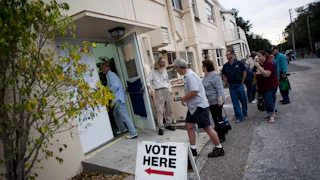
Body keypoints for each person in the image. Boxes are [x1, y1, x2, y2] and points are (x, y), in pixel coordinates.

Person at [173, 58, 224, 159]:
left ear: (179, 67)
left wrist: (184, 98)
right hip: (193, 107)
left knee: (207, 128)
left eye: (176, 69)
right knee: (189, 125)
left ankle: (219, 148)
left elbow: (194, 91)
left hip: (199, 106)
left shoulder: (190, 76)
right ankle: (193, 149)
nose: (176, 71)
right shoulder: (188, 75)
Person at [100, 62, 138, 139]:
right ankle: (122, 128)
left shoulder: (111, 75)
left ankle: (133, 132)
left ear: (108, 67)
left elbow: (115, 86)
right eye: (101, 68)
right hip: (117, 99)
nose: (103, 69)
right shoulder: (109, 75)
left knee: (124, 115)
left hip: (118, 99)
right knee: (116, 114)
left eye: (104, 67)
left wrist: (107, 91)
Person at [146, 57, 175, 135]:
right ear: (157, 63)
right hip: (158, 91)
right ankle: (160, 127)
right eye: (161, 62)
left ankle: (169, 124)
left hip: (166, 90)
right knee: (160, 109)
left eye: (163, 62)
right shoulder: (152, 72)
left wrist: (170, 89)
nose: (163, 64)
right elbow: (148, 81)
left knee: (169, 108)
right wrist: (149, 86)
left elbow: (167, 81)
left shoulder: (165, 71)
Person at [201, 59, 226, 142]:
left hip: (217, 100)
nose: (201, 67)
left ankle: (221, 136)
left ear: (206, 67)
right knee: (215, 118)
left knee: (218, 118)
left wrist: (220, 99)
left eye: (202, 66)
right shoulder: (206, 76)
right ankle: (220, 132)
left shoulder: (214, 75)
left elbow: (219, 88)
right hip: (210, 101)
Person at [222, 50, 248, 123]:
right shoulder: (225, 66)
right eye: (226, 55)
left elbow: (244, 72)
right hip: (232, 86)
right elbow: (223, 75)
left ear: (232, 54)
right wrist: (227, 83)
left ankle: (245, 112)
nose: (227, 56)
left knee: (243, 100)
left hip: (239, 84)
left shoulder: (239, 63)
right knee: (235, 102)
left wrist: (242, 82)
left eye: (228, 54)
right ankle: (239, 117)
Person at [254, 51, 279, 123]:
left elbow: (267, 74)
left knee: (268, 101)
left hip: (270, 86)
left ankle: (271, 115)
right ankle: (272, 112)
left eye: (259, 56)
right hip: (263, 86)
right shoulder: (259, 64)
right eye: (257, 56)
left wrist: (259, 67)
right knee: (268, 100)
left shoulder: (269, 64)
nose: (257, 58)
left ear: (264, 56)